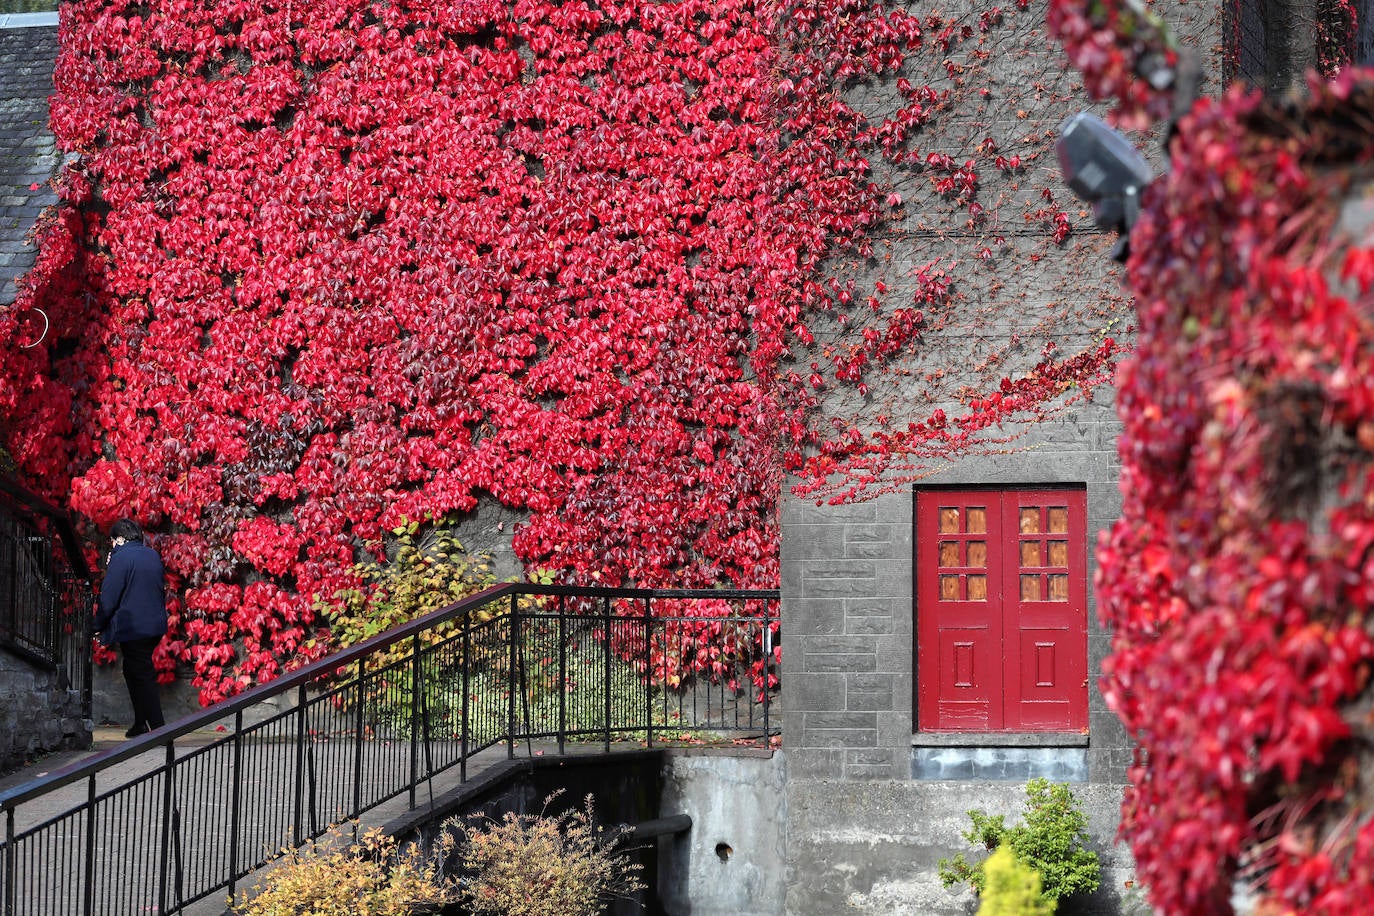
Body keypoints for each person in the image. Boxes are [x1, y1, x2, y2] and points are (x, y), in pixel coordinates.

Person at [95, 518, 168, 737]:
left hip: (134, 628)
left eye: (112, 542)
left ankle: (160, 731)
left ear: (118, 539)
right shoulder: (151, 554)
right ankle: (140, 723)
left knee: (142, 674)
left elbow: (109, 597)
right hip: (154, 626)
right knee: (132, 669)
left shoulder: (121, 558)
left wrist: (97, 625)